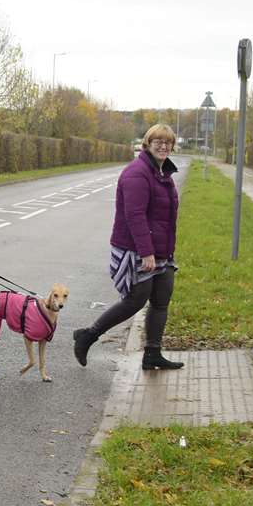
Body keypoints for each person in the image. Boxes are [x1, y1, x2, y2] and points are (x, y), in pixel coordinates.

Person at [73, 123, 184, 371]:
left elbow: (166, 216)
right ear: (147, 143)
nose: (164, 146)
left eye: (168, 142)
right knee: (135, 300)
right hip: (136, 250)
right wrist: (146, 252)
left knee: (161, 300)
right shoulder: (137, 173)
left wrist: (165, 250)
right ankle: (87, 336)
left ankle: (153, 354)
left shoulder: (162, 171)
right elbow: (135, 216)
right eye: (158, 141)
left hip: (161, 250)